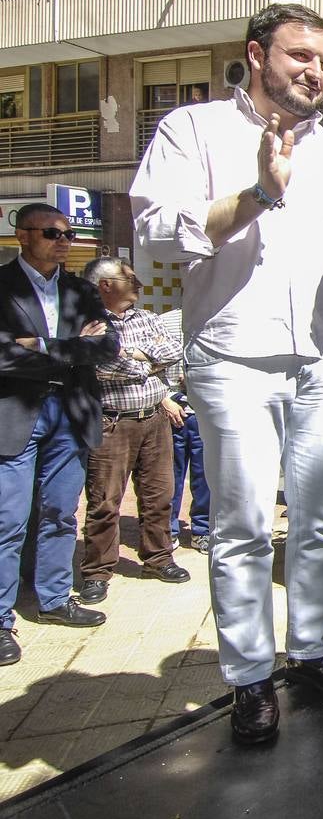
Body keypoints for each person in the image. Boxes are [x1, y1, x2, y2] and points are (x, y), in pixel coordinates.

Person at [132, 3, 323, 744]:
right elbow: (156, 231)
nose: (315, 72)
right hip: (232, 358)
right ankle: (250, 676)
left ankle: (312, 648)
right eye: (300, 57)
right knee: (243, 524)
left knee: (321, 519)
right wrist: (259, 193)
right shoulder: (192, 131)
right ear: (257, 54)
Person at [0, 204, 117, 666]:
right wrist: (74, 349)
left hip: (71, 412)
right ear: (22, 236)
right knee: (8, 521)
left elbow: (106, 347)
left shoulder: (82, 290)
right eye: (51, 232)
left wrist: (42, 347)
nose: (62, 241)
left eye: (67, 234)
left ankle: (52, 600)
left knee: (59, 514)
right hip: (17, 411)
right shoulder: (1, 286)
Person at [78, 257, 190, 605]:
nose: (137, 281)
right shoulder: (89, 323)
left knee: (159, 495)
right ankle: (97, 572)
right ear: (105, 285)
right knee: (105, 502)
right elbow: (104, 365)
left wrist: (134, 356)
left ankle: (157, 559)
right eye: (128, 277)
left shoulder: (147, 318)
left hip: (154, 419)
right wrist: (144, 361)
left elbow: (173, 351)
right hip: (112, 422)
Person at [158, 305, 211, 555]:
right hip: (172, 413)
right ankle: (168, 531)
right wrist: (165, 398)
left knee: (205, 478)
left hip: (205, 413)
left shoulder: (215, 319)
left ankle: (202, 530)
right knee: (170, 477)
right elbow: (151, 367)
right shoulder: (163, 322)